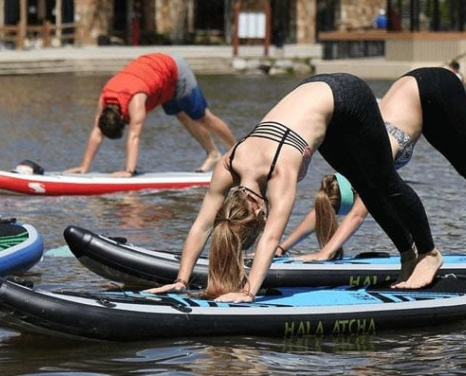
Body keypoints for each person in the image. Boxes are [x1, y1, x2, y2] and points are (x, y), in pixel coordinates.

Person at [147, 72, 441, 303]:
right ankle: (407, 258)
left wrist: (248, 291)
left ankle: (428, 253)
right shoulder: (227, 164)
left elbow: (271, 237)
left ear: (257, 209)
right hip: (315, 94)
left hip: (349, 95)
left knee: (383, 182)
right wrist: (181, 280)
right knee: (365, 184)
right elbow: (201, 226)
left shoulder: (279, 171)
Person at [282, 66, 466, 260]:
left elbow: (357, 215)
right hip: (416, 97)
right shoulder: (349, 167)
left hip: (432, 84)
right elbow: (323, 208)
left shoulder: (367, 168)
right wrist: (282, 247)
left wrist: (326, 251)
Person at [66, 53, 237, 175]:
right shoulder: (106, 97)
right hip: (157, 76)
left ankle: (237, 151)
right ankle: (213, 153)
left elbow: (134, 137)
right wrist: (84, 166)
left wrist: (129, 171)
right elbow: (97, 132)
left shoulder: (136, 100)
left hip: (175, 71)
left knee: (202, 117)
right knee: (182, 115)